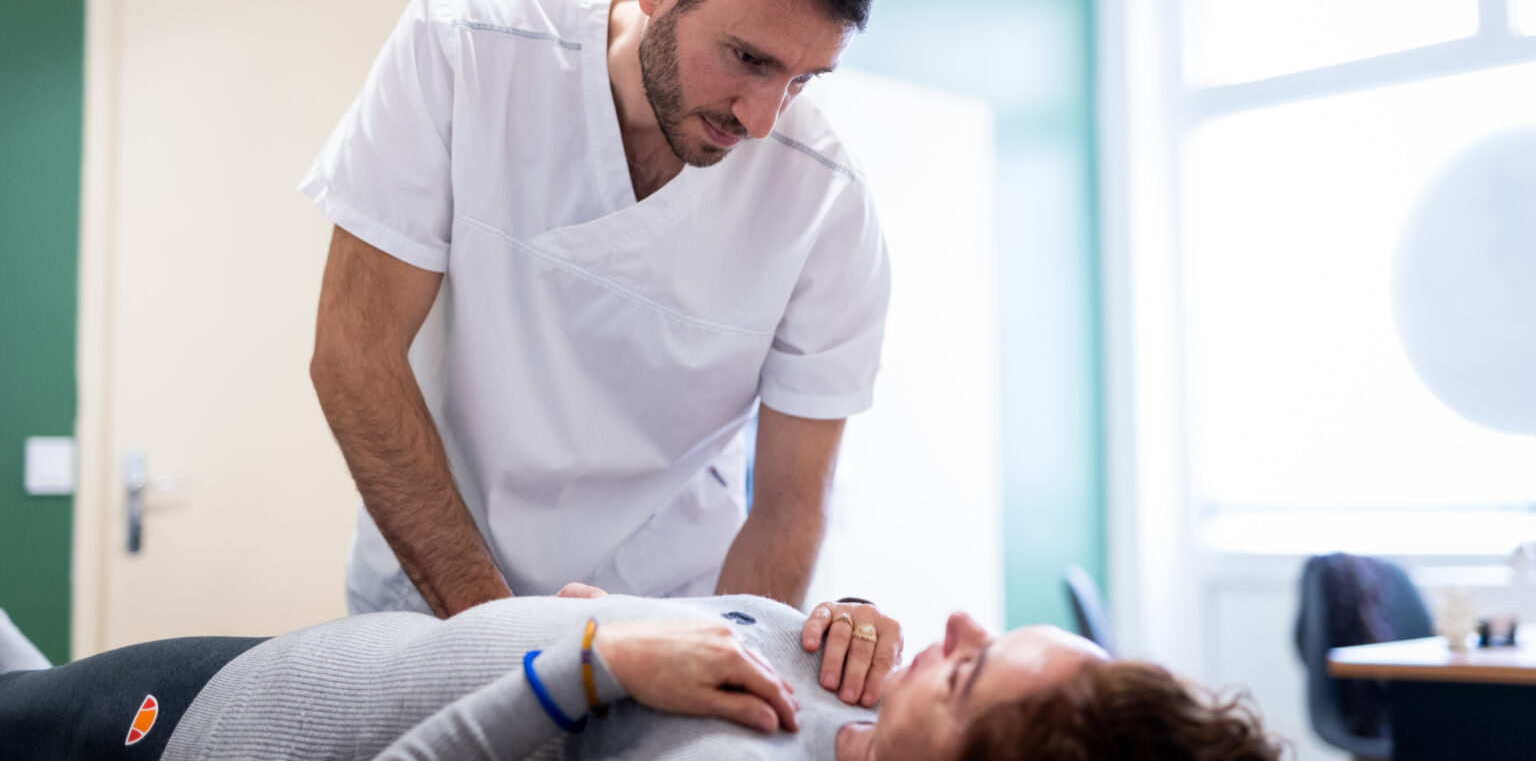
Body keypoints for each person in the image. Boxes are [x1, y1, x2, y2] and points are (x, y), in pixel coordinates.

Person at [300, 0, 896, 697]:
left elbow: (788, 505)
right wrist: (514, 653)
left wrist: (721, 677)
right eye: (747, 59)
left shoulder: (825, 203)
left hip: (671, 613)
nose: (761, 119)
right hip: (438, 588)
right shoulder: (468, 40)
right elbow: (353, 356)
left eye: (802, 80)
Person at [0, 594, 1283, 760]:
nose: (951, 622)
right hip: (298, 665)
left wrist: (589, 667)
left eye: (973, 668)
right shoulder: (860, 691)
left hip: (217, 738)